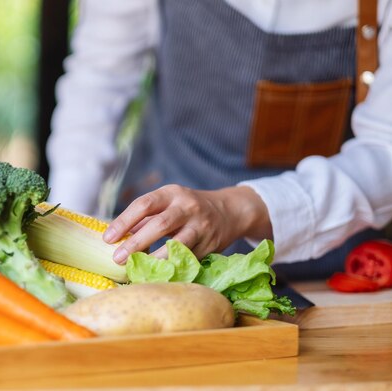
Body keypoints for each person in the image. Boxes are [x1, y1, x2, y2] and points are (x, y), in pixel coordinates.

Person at [46, 0, 392, 280]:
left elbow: (385, 150)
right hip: (157, 238)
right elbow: (98, 81)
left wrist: (236, 208)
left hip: (330, 265)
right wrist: (63, 235)